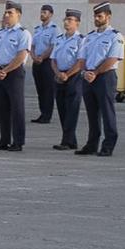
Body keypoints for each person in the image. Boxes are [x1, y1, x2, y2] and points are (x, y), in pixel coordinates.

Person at [78, 2, 124, 157]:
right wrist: (85, 72)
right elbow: (82, 58)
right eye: (95, 16)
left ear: (108, 17)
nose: (96, 19)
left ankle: (108, 145)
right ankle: (91, 144)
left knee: (107, 112)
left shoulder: (115, 36)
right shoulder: (89, 37)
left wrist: (95, 73)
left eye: (100, 16)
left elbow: (112, 59)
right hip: (88, 77)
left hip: (105, 77)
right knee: (92, 113)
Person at [0, 1, 31, 152]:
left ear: (18, 14)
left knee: (17, 108)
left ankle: (18, 141)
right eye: (5, 13)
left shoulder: (23, 33)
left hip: (13, 73)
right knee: (2, 108)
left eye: (10, 13)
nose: (6, 15)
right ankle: (4, 140)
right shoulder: (0, 33)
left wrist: (5, 70)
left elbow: (21, 56)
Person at [50, 10, 86, 151]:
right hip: (60, 76)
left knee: (72, 109)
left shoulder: (81, 40)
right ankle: (71, 141)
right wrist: (58, 73)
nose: (66, 22)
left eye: (70, 19)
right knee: (62, 109)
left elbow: (80, 61)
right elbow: (53, 59)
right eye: (65, 19)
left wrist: (67, 74)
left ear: (77, 23)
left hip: (74, 77)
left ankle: (66, 140)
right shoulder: (59, 38)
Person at [29, 4, 58, 124]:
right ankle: (42, 113)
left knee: (48, 90)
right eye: (41, 12)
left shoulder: (55, 29)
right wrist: (34, 56)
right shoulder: (37, 29)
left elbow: (53, 46)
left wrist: (42, 57)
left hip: (47, 62)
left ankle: (47, 115)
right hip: (37, 62)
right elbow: (32, 45)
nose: (42, 14)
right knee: (40, 89)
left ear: (51, 14)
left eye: (45, 12)